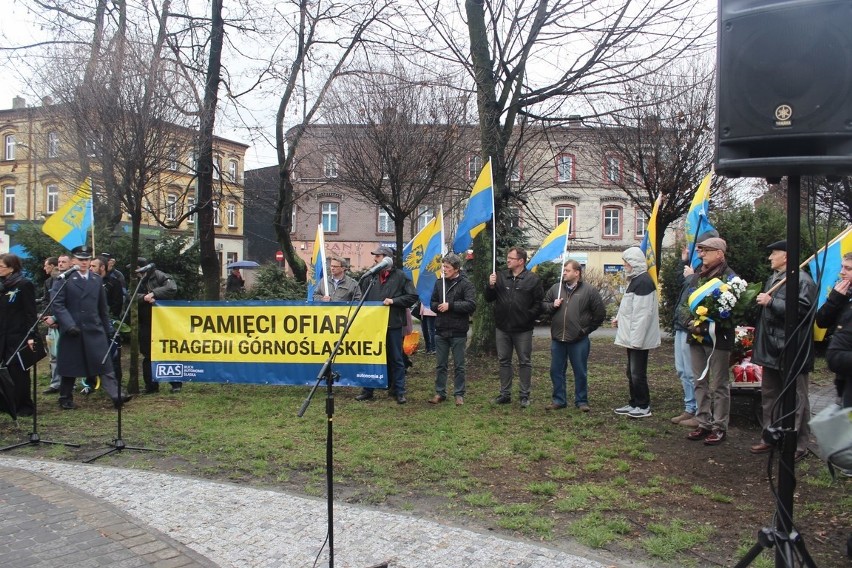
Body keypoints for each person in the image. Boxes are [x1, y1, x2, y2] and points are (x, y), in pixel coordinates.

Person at [749, 240, 816, 461]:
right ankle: (770, 437)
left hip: (791, 349)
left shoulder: (803, 281)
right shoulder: (774, 279)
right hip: (771, 348)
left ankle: (797, 444)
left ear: (786, 256)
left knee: (796, 399)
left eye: (774, 253)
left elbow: (802, 312)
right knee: (770, 395)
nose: (770, 258)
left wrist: (771, 303)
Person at [51, 245, 130, 410]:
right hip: (73, 330)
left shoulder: (96, 280)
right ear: (73, 260)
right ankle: (65, 398)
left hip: (94, 329)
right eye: (80, 259)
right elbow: (57, 305)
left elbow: (102, 308)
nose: (84, 263)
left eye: (87, 259)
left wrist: (108, 329)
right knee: (70, 366)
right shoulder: (64, 279)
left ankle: (116, 395)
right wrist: (68, 324)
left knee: (104, 362)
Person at [682, 237, 737, 445]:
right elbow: (685, 304)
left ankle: (719, 426)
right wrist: (690, 323)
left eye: (706, 250)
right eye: (701, 250)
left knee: (719, 384)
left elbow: (733, 311)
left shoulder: (731, 279)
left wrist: (710, 324)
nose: (701, 254)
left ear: (719, 254)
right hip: (696, 336)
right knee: (699, 381)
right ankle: (703, 422)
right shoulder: (698, 277)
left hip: (718, 339)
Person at [354, 247, 417, 404]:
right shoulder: (370, 277)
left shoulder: (400, 276)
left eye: (378, 256)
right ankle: (368, 389)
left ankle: (399, 391)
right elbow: (363, 297)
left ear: (387, 259)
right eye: (374, 256)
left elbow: (412, 296)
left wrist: (394, 301)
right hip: (373, 325)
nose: (375, 259)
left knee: (396, 358)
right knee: (371, 357)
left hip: (393, 324)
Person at [541, 260, 606, 412]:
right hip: (558, 339)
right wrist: (552, 305)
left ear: (577, 273)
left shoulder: (589, 291)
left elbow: (600, 313)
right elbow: (543, 305)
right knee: (556, 370)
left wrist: (586, 330)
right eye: (564, 270)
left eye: (567, 270)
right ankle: (559, 400)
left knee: (580, 371)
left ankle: (581, 401)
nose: (564, 272)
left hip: (578, 340)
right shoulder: (556, 288)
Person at [486, 246, 543, 408]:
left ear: (521, 261)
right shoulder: (501, 276)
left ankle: (524, 395)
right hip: (502, 328)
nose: (508, 260)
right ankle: (505, 394)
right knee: (504, 361)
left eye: (511, 258)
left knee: (524, 362)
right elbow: (489, 298)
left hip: (523, 329)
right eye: (508, 257)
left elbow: (539, 304)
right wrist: (490, 286)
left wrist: (528, 316)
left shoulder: (532, 279)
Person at [612, 247, 661, 419]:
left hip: (637, 339)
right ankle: (634, 402)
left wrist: (637, 340)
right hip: (633, 337)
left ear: (634, 263)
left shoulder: (643, 282)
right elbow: (630, 307)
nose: (624, 265)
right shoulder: (636, 280)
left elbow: (642, 315)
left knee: (637, 373)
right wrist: (619, 318)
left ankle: (643, 405)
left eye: (626, 262)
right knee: (631, 372)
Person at [428, 253, 476, 406]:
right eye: (443, 266)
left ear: (456, 269)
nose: (444, 269)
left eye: (447, 267)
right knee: (441, 365)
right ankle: (440, 392)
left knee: (459, 365)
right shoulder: (438, 283)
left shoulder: (466, 284)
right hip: (441, 330)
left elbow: (470, 304)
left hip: (458, 331)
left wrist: (451, 306)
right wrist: (438, 307)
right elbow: (432, 303)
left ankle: (459, 393)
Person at [0, 253, 38, 416]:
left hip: (18, 335)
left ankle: (23, 405)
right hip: (3, 334)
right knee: (3, 371)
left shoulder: (23, 284)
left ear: (11, 267)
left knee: (18, 371)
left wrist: (31, 335)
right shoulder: (3, 285)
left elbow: (30, 312)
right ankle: (6, 403)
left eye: (1, 266)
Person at [815, 251, 852, 408]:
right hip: (843, 380)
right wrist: (835, 299)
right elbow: (821, 321)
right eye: (842, 267)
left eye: (848, 268)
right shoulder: (844, 294)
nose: (842, 272)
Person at [136, 258, 179, 393]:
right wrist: (144, 297)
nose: (136, 272)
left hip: (162, 321)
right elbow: (129, 296)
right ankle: (151, 386)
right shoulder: (135, 280)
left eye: (138, 269)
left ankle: (176, 383)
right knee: (147, 354)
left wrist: (154, 293)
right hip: (145, 322)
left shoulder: (159, 275)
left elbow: (172, 288)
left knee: (167, 352)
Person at [671, 245, 700, 428]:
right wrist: (683, 261)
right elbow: (678, 283)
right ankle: (689, 407)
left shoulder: (703, 275)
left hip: (690, 327)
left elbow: (696, 293)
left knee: (691, 372)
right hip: (680, 326)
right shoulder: (691, 271)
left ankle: (697, 409)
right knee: (682, 370)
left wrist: (691, 277)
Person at [92, 256, 126, 390]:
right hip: (92, 324)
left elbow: (117, 304)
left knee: (113, 356)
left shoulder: (113, 282)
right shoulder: (89, 283)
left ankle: (116, 384)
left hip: (108, 324)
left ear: (102, 268)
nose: (90, 269)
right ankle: (93, 382)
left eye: (93, 266)